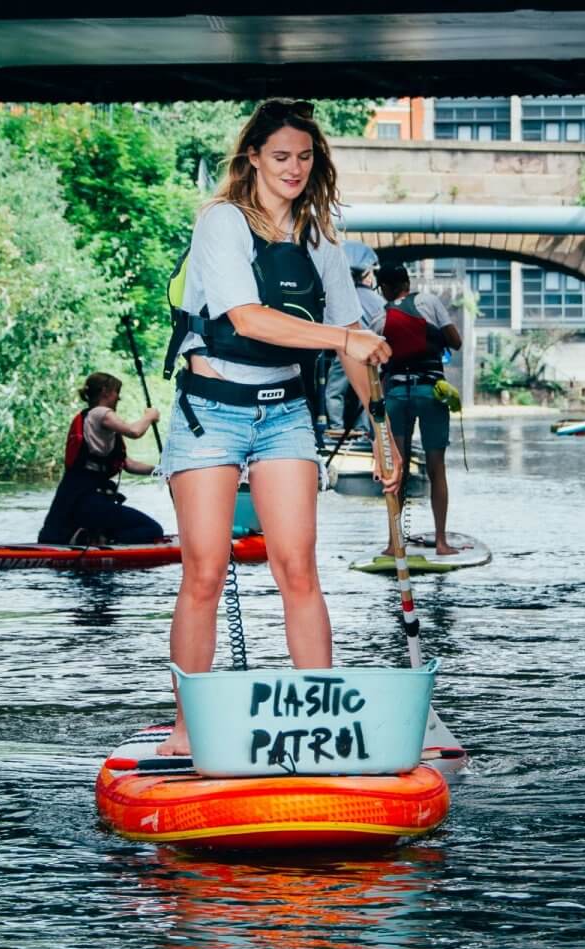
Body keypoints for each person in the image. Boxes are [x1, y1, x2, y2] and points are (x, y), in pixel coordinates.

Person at [156, 99, 398, 757]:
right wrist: (346, 336)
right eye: (282, 155)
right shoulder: (223, 224)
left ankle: (319, 720)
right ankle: (187, 729)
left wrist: (383, 433)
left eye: (305, 156)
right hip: (210, 412)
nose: (294, 167)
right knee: (204, 571)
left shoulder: (321, 242)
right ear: (255, 158)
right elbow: (247, 318)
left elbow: (353, 349)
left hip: (286, 415)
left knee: (299, 569)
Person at [377, 262, 463, 556]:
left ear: (384, 289)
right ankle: (441, 542)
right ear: (407, 283)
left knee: (395, 470)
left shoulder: (380, 316)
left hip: (397, 395)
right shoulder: (428, 301)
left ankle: (394, 544)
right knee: (437, 468)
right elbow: (456, 342)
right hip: (430, 393)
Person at [37, 373, 162, 545]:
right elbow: (134, 432)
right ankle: (104, 540)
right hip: (89, 499)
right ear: (105, 391)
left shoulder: (93, 421)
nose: (119, 397)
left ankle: (89, 535)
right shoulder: (101, 413)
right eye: (117, 392)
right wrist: (150, 416)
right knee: (153, 530)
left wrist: (160, 470)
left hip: (73, 496)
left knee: (52, 537)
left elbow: (127, 464)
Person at [322, 240, 385, 433]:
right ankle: (363, 430)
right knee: (367, 392)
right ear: (367, 273)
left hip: (345, 349)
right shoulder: (377, 301)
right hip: (368, 353)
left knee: (334, 392)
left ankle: (336, 428)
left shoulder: (338, 298)